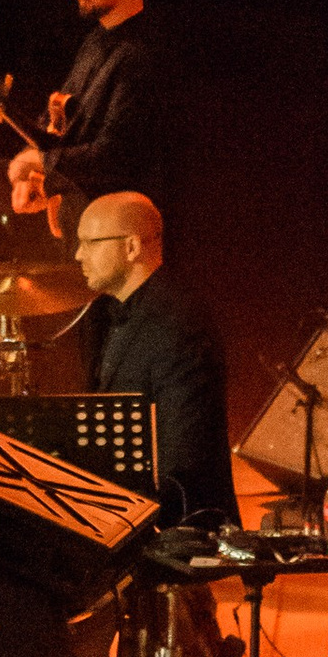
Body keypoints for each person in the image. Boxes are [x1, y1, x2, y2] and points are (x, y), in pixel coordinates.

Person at [75, 194, 233, 527]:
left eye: (89, 243)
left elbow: (182, 453)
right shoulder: (120, 314)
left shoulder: (178, 322)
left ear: (131, 247)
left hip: (176, 528)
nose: (78, 255)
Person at [9, 0, 174, 234]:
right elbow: (67, 120)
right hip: (86, 226)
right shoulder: (95, 41)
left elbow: (117, 155)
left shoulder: (143, 56)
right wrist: (36, 170)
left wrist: (42, 163)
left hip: (122, 234)